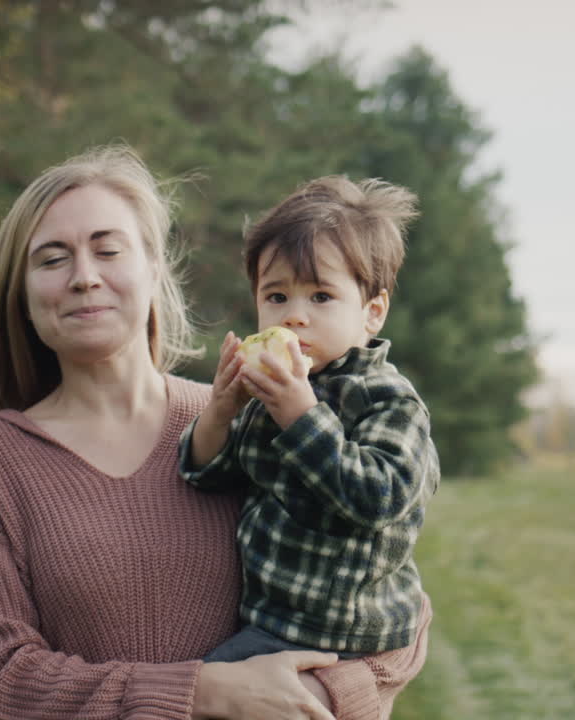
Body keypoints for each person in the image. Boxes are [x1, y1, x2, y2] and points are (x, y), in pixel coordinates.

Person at [0, 145, 431, 720]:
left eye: (107, 249)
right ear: (20, 294)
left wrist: (320, 699)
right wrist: (203, 693)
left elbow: (392, 605)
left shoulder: (259, 415)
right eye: (51, 259)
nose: (84, 277)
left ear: (153, 268)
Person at [181, 176, 439, 664]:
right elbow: (207, 476)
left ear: (372, 313)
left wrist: (301, 415)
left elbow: (378, 498)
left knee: (207, 693)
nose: (293, 317)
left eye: (321, 297)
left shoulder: (387, 401)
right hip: (269, 617)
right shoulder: (270, 393)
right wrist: (220, 410)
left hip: (338, 629)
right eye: (276, 297)